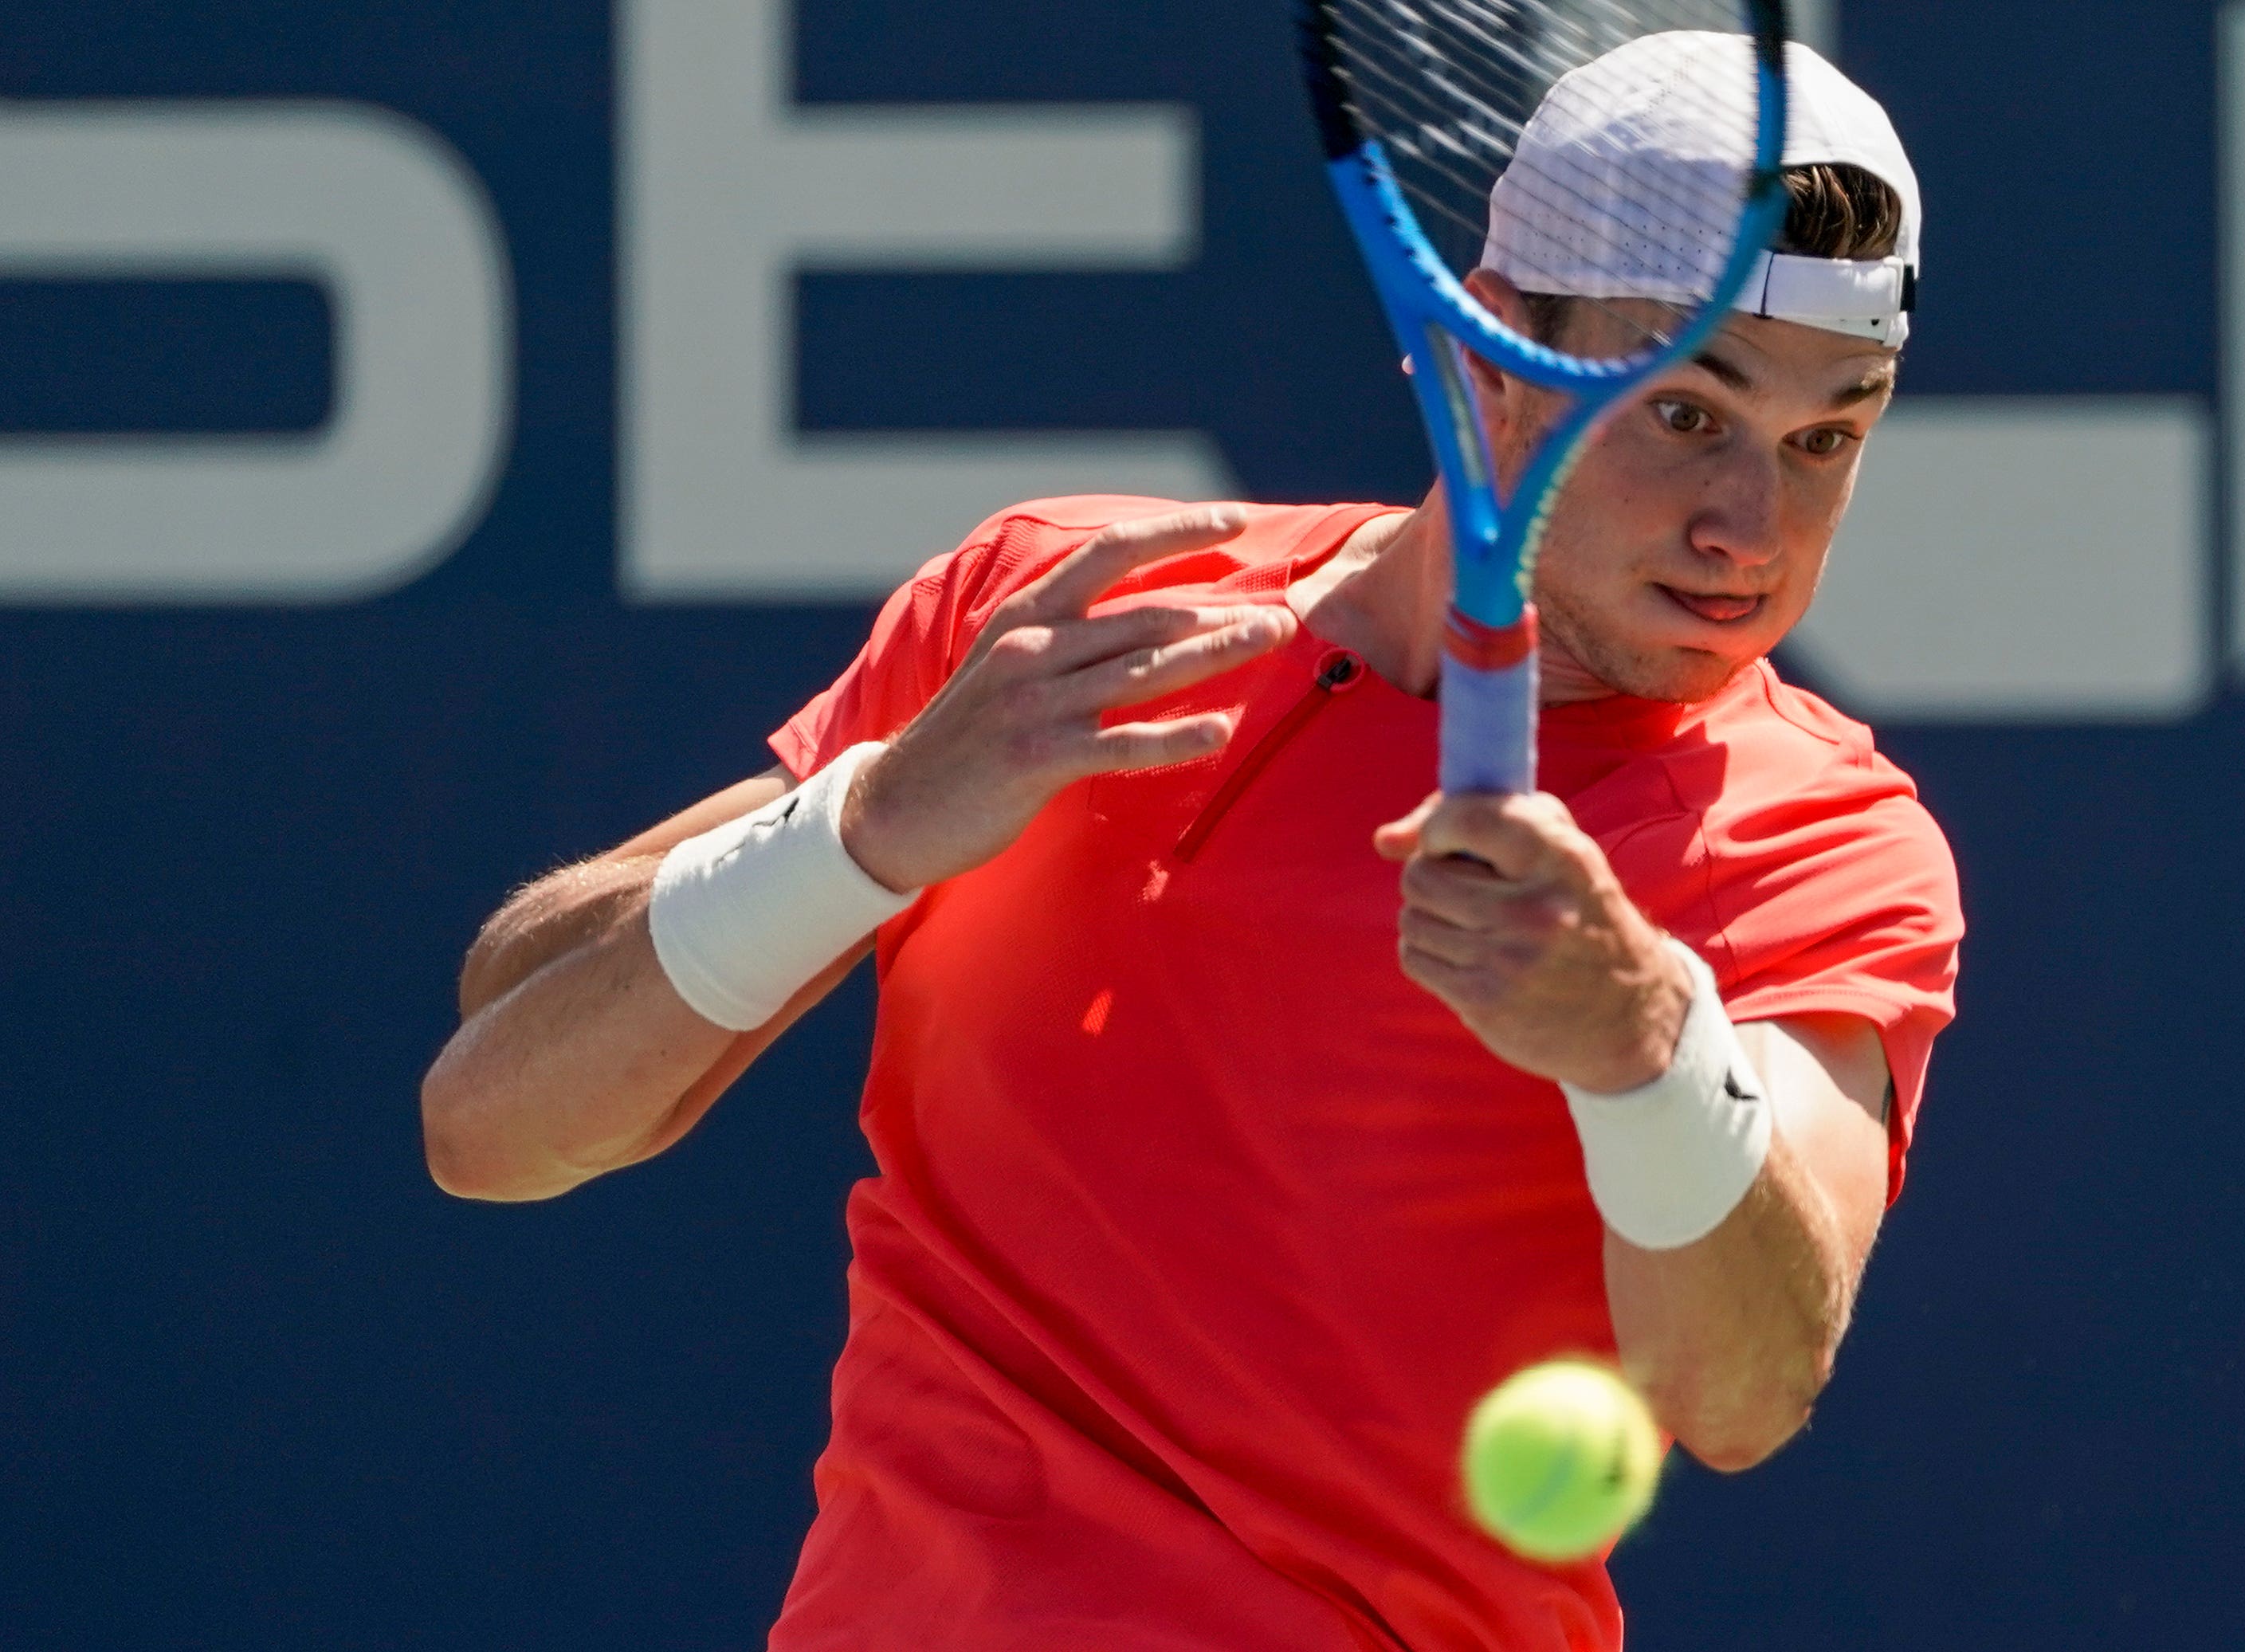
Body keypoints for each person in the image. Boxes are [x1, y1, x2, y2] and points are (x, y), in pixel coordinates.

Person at [422, 36, 1961, 1652]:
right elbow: (493, 1116)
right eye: (1685, 414)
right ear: (1484, 363)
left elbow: (1741, 1389)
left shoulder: (1815, 839)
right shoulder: (1065, 613)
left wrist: (1644, 1046)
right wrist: (869, 821)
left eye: (1824, 439)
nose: (1751, 531)